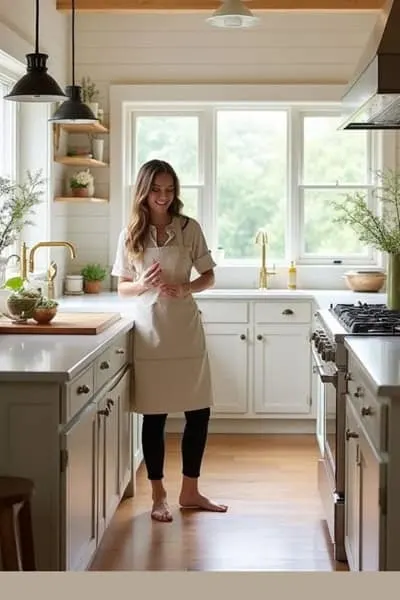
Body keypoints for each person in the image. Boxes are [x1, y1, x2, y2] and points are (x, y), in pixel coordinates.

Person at [111, 159, 228, 523]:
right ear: (143, 192)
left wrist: (186, 286)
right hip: (150, 334)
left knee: (199, 411)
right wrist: (143, 283)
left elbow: (208, 276)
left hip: (185, 330)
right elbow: (122, 289)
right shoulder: (130, 234)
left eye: (169, 189)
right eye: (156, 190)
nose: (163, 197)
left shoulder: (188, 228)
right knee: (155, 414)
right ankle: (158, 494)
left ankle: (190, 491)